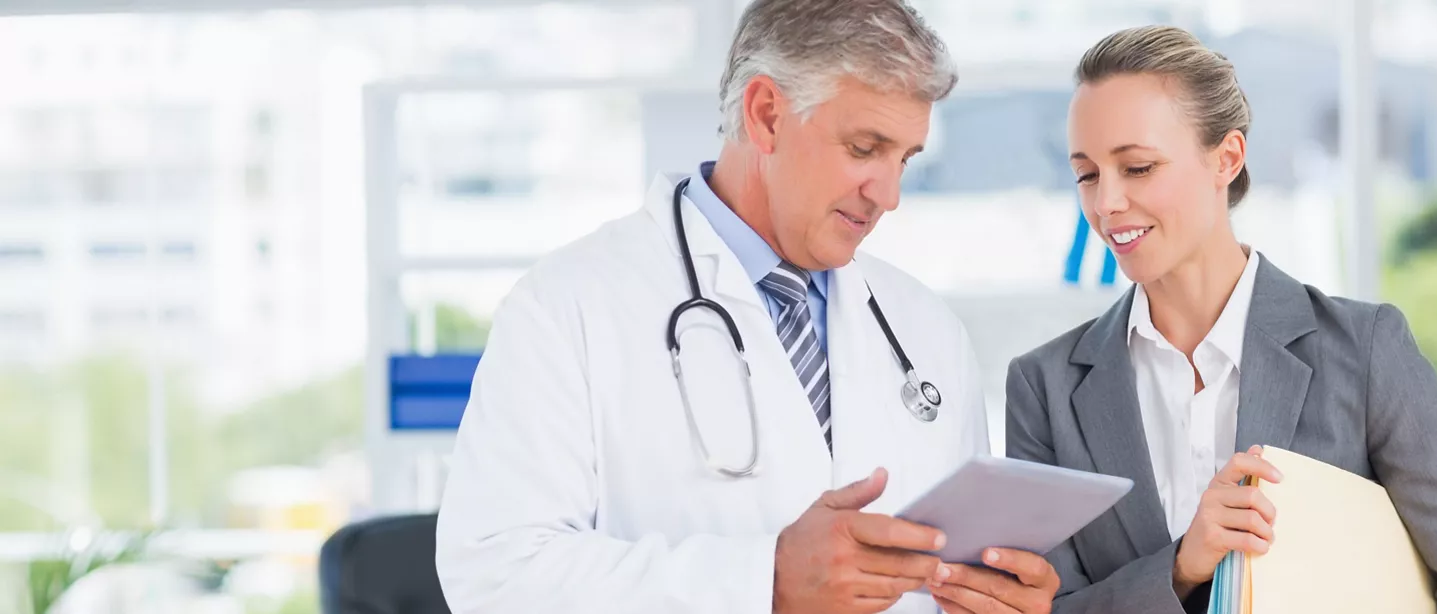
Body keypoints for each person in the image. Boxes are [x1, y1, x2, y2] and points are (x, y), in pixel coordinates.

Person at [435, 2, 1058, 613]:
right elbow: (494, 574)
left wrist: (992, 601)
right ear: (766, 117)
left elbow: (952, 572)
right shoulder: (568, 305)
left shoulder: (925, 329)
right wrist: (762, 581)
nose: (889, 196)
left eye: (905, 159)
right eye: (865, 149)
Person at [1003, 24, 1437, 613]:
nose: (1105, 204)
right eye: (1086, 173)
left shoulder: (1365, 353)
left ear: (1226, 159)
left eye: (1138, 167)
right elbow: (1045, 610)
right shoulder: (1045, 389)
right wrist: (1179, 568)